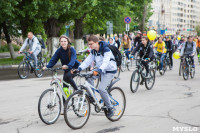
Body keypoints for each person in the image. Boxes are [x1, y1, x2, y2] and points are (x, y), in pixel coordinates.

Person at [73, 35, 117, 118]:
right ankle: (92, 96)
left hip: (109, 71)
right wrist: (79, 69)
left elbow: (106, 62)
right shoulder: (93, 51)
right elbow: (87, 61)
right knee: (88, 76)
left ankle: (110, 107)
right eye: (88, 44)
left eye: (91, 44)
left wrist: (99, 70)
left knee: (101, 89)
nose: (89, 46)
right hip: (100, 69)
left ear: (97, 43)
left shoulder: (106, 49)